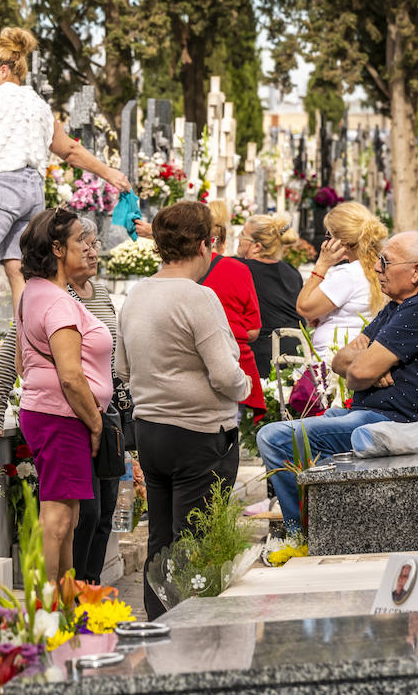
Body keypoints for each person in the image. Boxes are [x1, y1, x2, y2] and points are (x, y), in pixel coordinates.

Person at [257, 232, 418, 535]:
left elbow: (356, 373)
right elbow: (340, 360)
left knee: (274, 438)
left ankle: (302, 533)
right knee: (311, 429)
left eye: (386, 262)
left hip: (396, 424)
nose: (378, 269)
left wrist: (363, 365)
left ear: (416, 271)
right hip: (372, 416)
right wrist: (365, 364)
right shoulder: (399, 305)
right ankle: (331, 526)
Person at [0, 27, 130, 343]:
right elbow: (69, 150)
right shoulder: (38, 104)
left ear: (4, 69)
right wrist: (110, 173)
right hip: (32, 191)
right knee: (17, 267)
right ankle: (28, 342)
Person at [119, 201, 249, 618]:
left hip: (152, 431)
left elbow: (121, 367)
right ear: (204, 244)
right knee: (196, 539)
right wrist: (244, 386)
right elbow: (226, 376)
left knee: (161, 536)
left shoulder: (137, 294)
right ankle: (191, 632)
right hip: (199, 433)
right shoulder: (198, 298)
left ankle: (159, 624)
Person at [0, 217, 122, 583]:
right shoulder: (59, 302)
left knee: (70, 519)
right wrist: (95, 423)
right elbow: (71, 376)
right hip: (64, 417)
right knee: (58, 521)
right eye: (81, 241)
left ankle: (63, 603)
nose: (89, 247)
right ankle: (46, 610)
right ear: (58, 249)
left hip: (55, 414)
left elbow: (21, 361)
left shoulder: (34, 291)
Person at [295, 201, 387, 360]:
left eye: (328, 235)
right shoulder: (380, 268)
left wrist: (322, 264)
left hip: (333, 360)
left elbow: (304, 308)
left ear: (339, 240)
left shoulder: (348, 274)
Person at [202, 202, 264, 416]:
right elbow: (253, 330)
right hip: (232, 362)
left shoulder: (176, 271)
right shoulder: (238, 270)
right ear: (223, 241)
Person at [235, 213, 305, 380]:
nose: (238, 237)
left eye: (243, 234)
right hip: (294, 352)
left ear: (257, 246)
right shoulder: (291, 271)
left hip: (261, 356)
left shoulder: (240, 269)